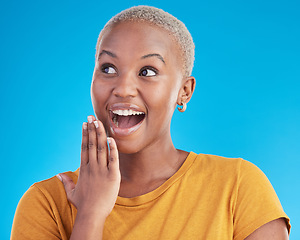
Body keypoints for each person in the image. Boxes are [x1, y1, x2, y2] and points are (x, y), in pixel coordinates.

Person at [11, 6, 290, 240]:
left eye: (147, 71)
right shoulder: (46, 203)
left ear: (184, 91)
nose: (123, 88)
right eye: (108, 68)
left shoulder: (238, 186)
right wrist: (90, 214)